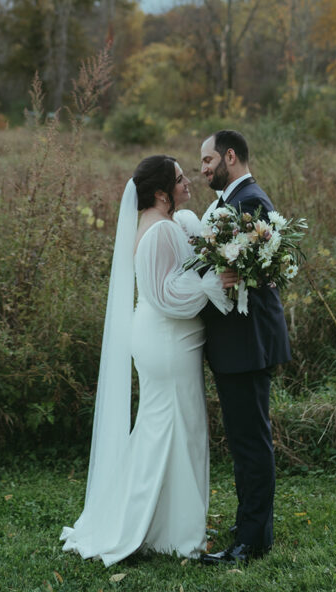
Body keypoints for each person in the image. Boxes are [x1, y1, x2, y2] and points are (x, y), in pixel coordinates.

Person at [60, 155, 236, 566]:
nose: (187, 182)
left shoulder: (166, 226)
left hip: (172, 341)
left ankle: (169, 527)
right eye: (178, 179)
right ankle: (167, 531)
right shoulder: (156, 233)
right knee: (174, 430)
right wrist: (215, 282)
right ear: (160, 193)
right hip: (167, 341)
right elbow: (167, 296)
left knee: (174, 431)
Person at [198, 129, 292, 566]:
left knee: (251, 442)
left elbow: (260, 269)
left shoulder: (249, 201)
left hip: (248, 343)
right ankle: (250, 524)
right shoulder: (233, 202)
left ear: (229, 157)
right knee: (243, 440)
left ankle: (252, 541)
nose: (203, 169)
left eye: (207, 160)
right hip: (237, 342)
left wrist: (232, 273)